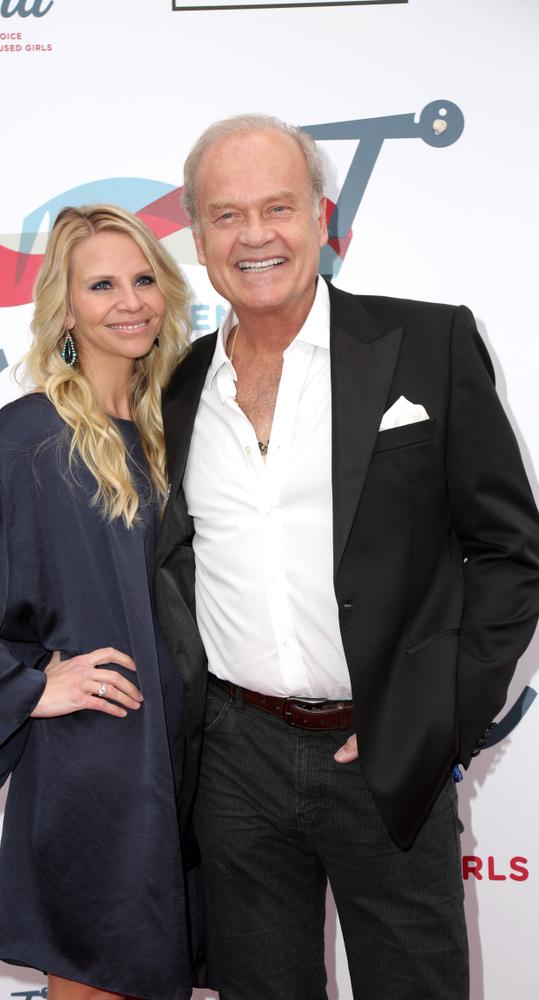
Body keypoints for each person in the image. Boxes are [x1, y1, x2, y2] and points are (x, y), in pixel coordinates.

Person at [154, 113, 539, 1000]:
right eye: (226, 215)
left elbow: (509, 552)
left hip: (384, 753)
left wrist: (439, 719)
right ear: (197, 237)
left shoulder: (429, 344)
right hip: (234, 762)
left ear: (320, 218)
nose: (254, 235)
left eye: (277, 207)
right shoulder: (175, 385)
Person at [0, 205, 195, 1000]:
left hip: (197, 757)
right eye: (101, 285)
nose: (129, 301)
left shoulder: (180, 427)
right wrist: (26, 688)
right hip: (99, 761)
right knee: (95, 980)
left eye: (142, 278)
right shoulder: (35, 432)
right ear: (67, 310)